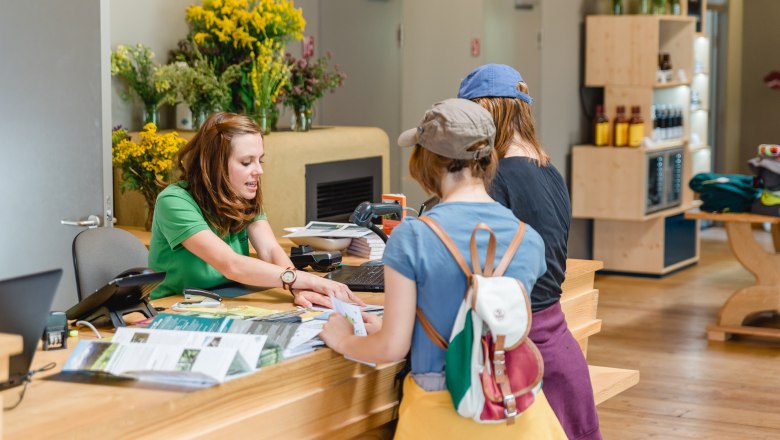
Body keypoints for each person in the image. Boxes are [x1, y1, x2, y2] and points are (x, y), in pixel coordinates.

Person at [320, 98, 566, 439]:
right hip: (516, 413)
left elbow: (392, 348)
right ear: (487, 159)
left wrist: (344, 340)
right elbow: (484, 325)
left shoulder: (413, 236)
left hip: (441, 416)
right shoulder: (528, 240)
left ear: (425, 162)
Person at [458, 64, 602, 440]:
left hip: (520, 357)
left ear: (487, 111)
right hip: (557, 347)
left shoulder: (496, 179)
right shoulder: (548, 170)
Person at [148, 112, 361, 309]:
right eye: (246, 162)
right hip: (175, 308)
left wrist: (298, 288)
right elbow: (232, 265)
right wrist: (305, 279)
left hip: (227, 302)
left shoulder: (240, 193)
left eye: (260, 160)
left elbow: (269, 250)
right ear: (214, 165)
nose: (259, 171)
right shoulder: (174, 201)